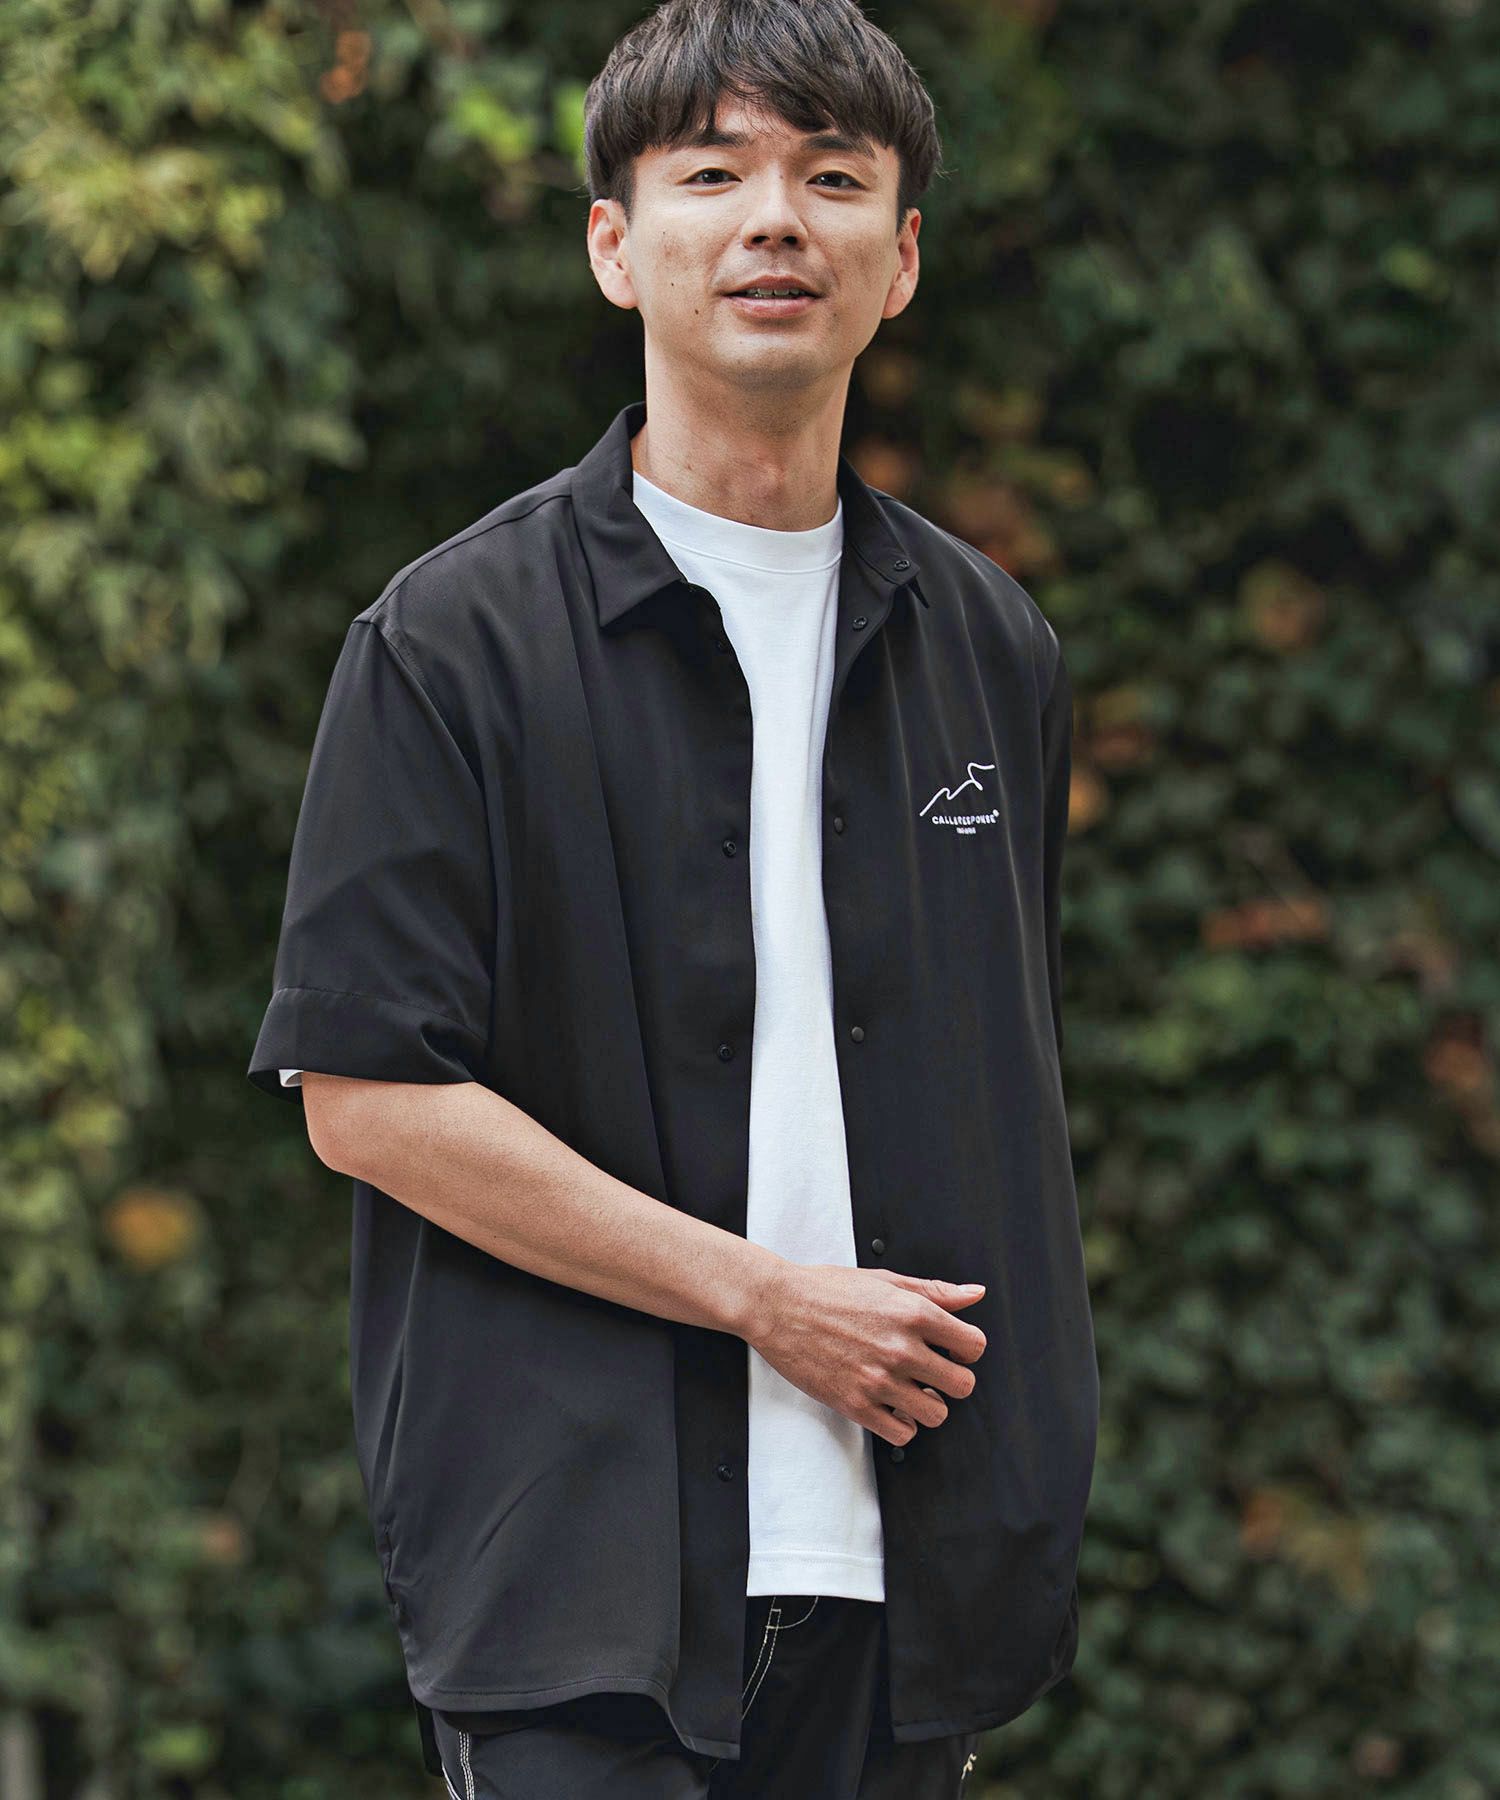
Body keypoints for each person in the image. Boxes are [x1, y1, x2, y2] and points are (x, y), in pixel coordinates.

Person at [247, 0, 1098, 1793]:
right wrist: (766, 1299)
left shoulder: (991, 649)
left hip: (912, 1585)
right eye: (712, 175)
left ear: (902, 259)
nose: (775, 218)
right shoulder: (449, 643)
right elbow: (369, 1100)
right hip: (581, 1583)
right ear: (614, 248)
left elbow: (1007, 1079)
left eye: (834, 179)